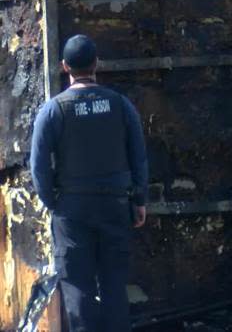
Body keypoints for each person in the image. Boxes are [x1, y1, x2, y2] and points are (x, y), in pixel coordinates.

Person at [29, 34, 149, 332]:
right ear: (97, 64)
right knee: (114, 284)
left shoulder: (54, 110)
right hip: (115, 204)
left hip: (72, 208)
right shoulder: (121, 105)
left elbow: (39, 166)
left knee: (77, 286)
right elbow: (139, 156)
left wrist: (52, 202)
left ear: (64, 66)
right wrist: (140, 200)